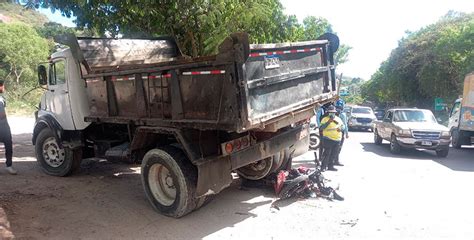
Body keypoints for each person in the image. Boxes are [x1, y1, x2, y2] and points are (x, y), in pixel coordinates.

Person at [0, 80, 17, 175]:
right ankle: (8, 166)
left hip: (4, 125)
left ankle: (9, 166)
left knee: (8, 145)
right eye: (3, 86)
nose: (4, 88)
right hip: (2, 125)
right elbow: (2, 114)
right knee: (8, 145)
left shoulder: (2, 98)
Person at [319, 105, 343, 171]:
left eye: (333, 112)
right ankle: (323, 167)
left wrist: (341, 128)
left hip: (337, 139)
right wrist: (328, 122)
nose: (332, 113)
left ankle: (330, 166)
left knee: (333, 154)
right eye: (330, 112)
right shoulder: (325, 119)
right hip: (328, 139)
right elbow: (321, 128)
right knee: (326, 154)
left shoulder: (338, 119)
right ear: (328, 112)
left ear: (335, 112)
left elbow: (342, 126)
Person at [335, 99, 349, 166]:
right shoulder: (343, 114)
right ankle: (336, 161)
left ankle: (331, 161)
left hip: (332, 132)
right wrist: (347, 133)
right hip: (340, 132)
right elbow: (345, 124)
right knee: (338, 147)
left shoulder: (331, 113)